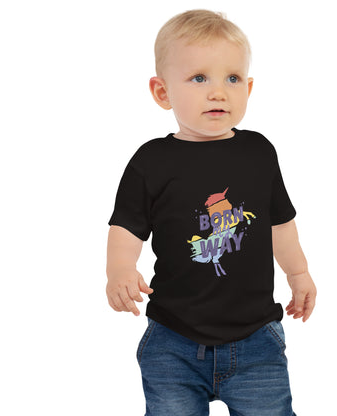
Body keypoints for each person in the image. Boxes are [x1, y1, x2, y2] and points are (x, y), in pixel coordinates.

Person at [106, 9, 317, 416]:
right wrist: (119, 269)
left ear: (249, 88)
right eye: (199, 78)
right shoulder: (151, 161)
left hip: (257, 340)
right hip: (174, 341)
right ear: (162, 92)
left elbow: (280, 221)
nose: (218, 92)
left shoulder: (259, 152)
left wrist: (298, 273)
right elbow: (126, 226)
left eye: (232, 78)